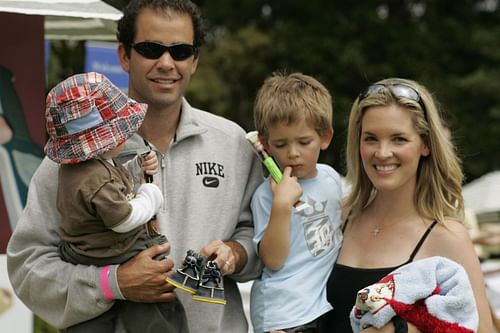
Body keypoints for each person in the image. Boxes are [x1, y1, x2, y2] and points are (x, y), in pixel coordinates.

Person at [7, 1, 263, 332]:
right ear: (124, 56)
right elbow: (27, 266)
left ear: (195, 60)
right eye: (151, 49)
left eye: (181, 51)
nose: (167, 63)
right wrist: (114, 283)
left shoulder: (233, 143)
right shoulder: (70, 157)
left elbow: (261, 238)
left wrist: (235, 253)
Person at [320, 78, 493, 332]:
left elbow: (482, 329)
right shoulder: (339, 216)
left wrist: (404, 329)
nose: (382, 152)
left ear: (425, 144)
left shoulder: (448, 237)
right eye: (370, 138)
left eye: (398, 139)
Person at [44, 71, 187, 332]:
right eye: (120, 132)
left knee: (88, 320)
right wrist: (150, 195)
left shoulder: (80, 168)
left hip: (80, 254)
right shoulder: (96, 180)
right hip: (115, 250)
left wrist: (136, 168)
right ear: (101, 143)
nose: (125, 137)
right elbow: (123, 218)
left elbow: (110, 185)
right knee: (155, 298)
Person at [249, 72, 343, 333]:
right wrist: (281, 205)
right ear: (266, 145)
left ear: (325, 137)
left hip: (320, 307)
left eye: (304, 142)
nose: (293, 153)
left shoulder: (331, 179)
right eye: (280, 144)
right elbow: (273, 260)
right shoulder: (266, 195)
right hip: (284, 316)